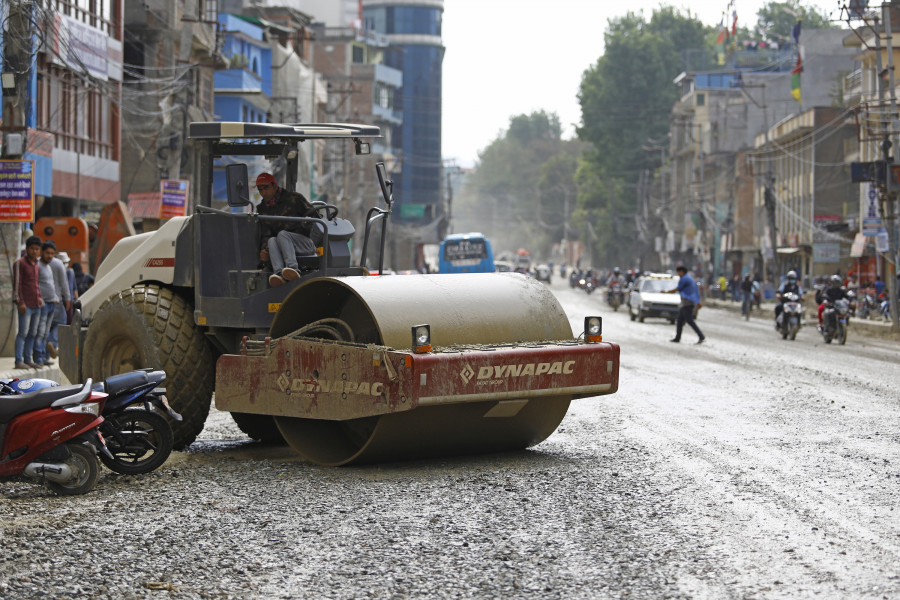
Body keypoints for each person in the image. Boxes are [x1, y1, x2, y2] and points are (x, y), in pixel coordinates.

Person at [255, 172, 322, 287]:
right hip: (283, 247)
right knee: (271, 241)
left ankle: (292, 269)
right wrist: (264, 250)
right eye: (260, 190)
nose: (263, 193)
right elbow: (266, 234)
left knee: (282, 235)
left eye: (266, 188)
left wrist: (305, 223)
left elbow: (317, 219)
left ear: (274, 186)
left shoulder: (295, 198)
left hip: (305, 245)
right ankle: (280, 274)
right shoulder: (262, 209)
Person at [34, 241, 70, 366]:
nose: (49, 255)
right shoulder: (41, 265)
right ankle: (47, 348)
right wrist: (68, 298)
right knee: (48, 328)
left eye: (52, 253)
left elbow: (52, 284)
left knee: (44, 330)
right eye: (47, 253)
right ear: (42, 252)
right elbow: (63, 283)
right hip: (48, 301)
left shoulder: (48, 265)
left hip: (53, 300)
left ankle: (44, 356)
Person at [12, 236, 44, 369]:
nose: (35, 251)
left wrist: (40, 297)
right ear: (27, 249)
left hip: (36, 303)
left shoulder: (36, 265)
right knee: (23, 333)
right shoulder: (20, 263)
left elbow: (36, 284)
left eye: (37, 249)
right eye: (32, 248)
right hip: (25, 304)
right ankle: (18, 360)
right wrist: (20, 302)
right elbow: (17, 284)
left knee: (33, 333)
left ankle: (27, 359)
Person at [664, 265, 705, 344]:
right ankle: (677, 338)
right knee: (679, 320)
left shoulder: (684, 279)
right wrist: (698, 301)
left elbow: (678, 289)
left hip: (687, 302)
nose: (678, 273)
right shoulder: (690, 279)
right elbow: (696, 291)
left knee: (689, 320)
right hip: (689, 301)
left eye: (678, 272)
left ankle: (701, 336)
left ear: (682, 271)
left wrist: (666, 292)